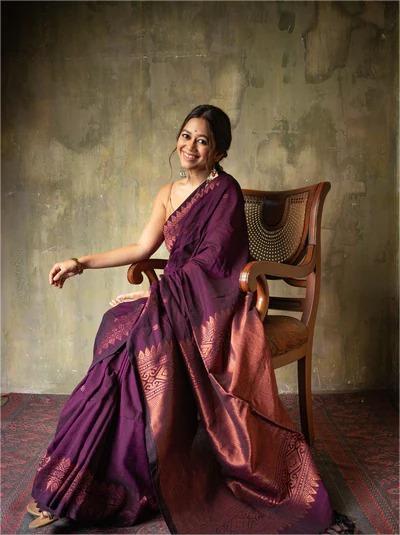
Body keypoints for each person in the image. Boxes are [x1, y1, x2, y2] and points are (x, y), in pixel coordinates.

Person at [27, 105, 354, 533]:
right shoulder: (167, 193)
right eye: (186, 136)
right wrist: (80, 262)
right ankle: (79, 482)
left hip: (212, 306)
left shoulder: (226, 192)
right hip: (176, 298)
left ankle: (115, 479)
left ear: (218, 152)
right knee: (115, 332)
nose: (191, 146)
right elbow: (141, 249)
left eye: (202, 140)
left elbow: (215, 265)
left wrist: (157, 293)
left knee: (135, 341)